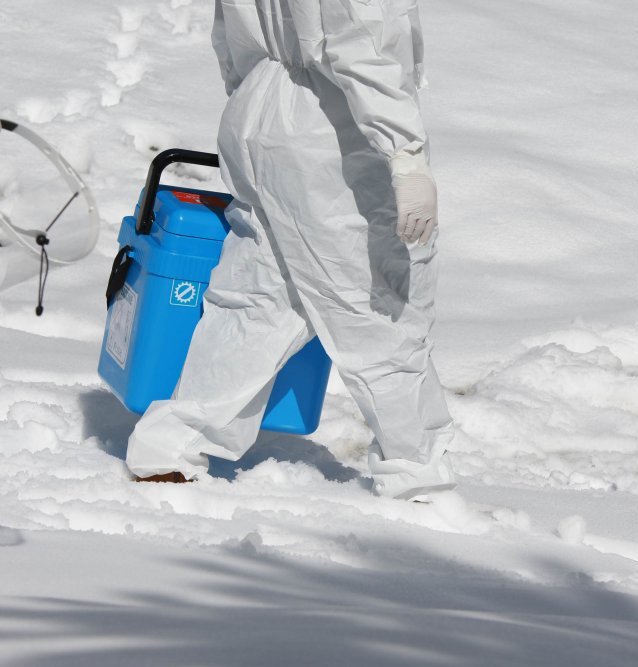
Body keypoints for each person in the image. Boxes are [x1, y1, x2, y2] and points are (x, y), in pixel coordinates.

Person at [124, 0, 456, 501]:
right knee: (381, 305)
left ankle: (168, 448)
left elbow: (230, 34)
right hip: (334, 133)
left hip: (261, 113)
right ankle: (418, 478)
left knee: (259, 302)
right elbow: (365, 43)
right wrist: (404, 153)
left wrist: (258, 101)